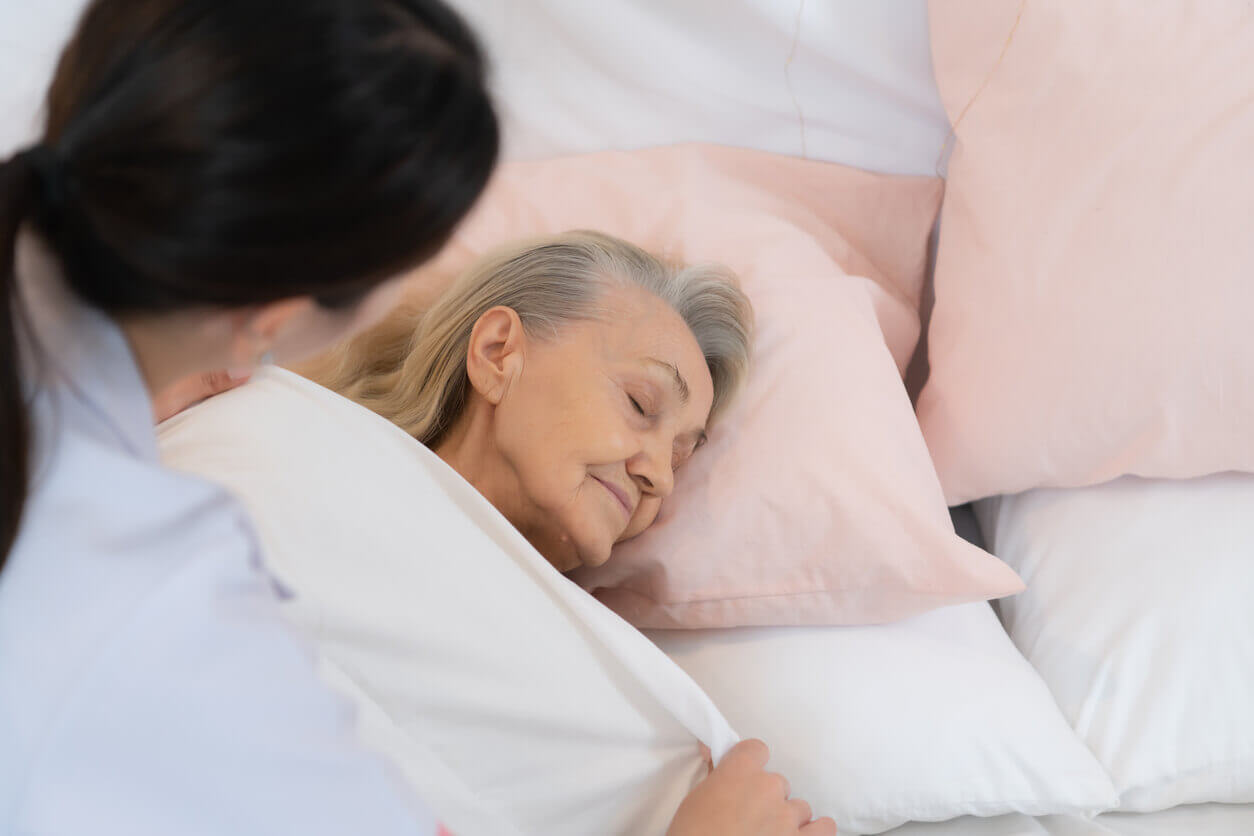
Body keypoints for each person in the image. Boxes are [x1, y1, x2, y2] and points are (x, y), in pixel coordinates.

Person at [0, 0, 833, 833]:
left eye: (686, 456)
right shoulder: (212, 500)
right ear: (498, 349)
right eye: (640, 402)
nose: (658, 469)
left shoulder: (99, 428)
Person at [308, 230, 751, 571]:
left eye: (677, 458)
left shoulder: (609, 668)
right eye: (639, 403)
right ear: (497, 354)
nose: (661, 480)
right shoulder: (281, 450)